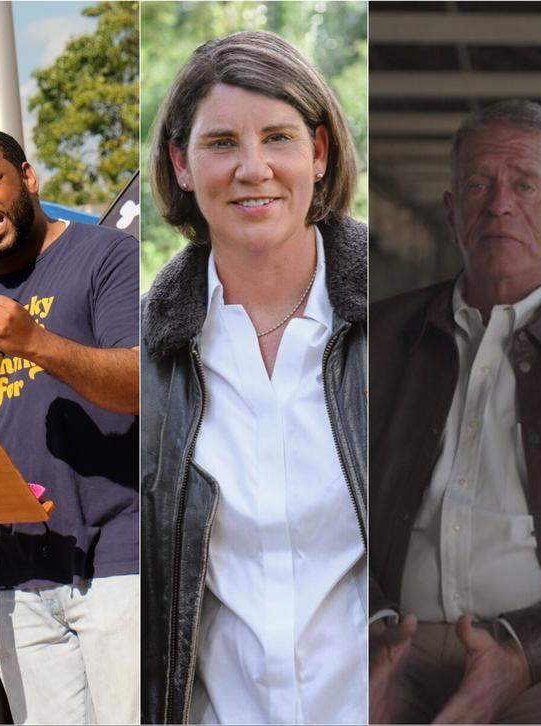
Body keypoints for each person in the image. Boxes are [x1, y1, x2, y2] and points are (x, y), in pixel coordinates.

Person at [140, 30, 367, 725]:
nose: (253, 168)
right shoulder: (149, 354)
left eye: (278, 137)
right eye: (221, 143)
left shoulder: (410, 326)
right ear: (180, 163)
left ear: (319, 153)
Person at [369, 99, 541, 724]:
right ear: (451, 213)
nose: (499, 204)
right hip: (390, 646)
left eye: (524, 184)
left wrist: (524, 653)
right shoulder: (380, 338)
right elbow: (320, 508)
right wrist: (370, 632)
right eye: (477, 185)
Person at [0, 128, 141, 725]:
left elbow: (138, 385)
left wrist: (36, 342)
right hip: (14, 572)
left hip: (115, 557)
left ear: (28, 178)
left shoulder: (106, 255)